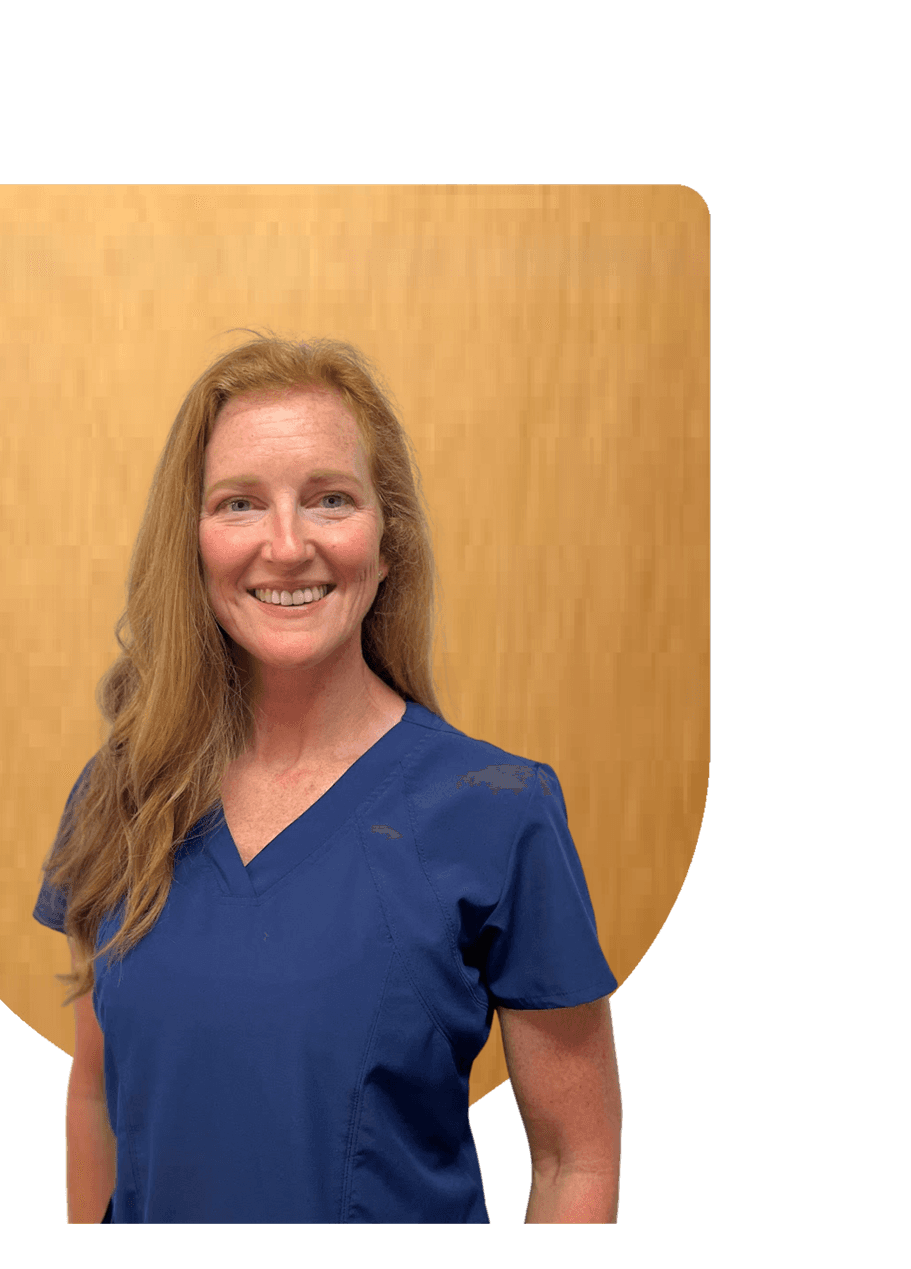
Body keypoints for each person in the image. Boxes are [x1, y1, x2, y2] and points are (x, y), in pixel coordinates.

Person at [35, 336, 622, 1223]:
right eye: (239, 503)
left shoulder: (499, 814)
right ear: (192, 545)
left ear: (388, 545)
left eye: (330, 499)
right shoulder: (123, 795)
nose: (286, 545)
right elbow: (94, 1099)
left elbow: (577, 1161)